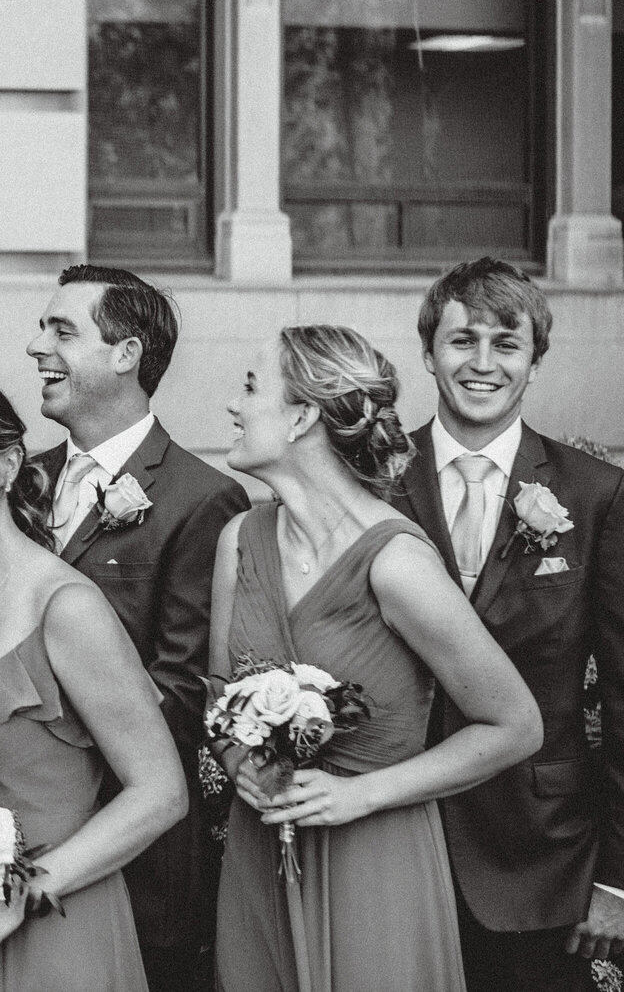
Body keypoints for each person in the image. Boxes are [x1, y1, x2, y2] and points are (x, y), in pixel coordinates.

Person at [211, 324, 542, 992]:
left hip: (373, 858)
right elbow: (220, 693)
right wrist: (239, 762)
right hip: (260, 853)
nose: (235, 406)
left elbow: (515, 724)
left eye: (251, 388)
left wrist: (358, 794)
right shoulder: (238, 540)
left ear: (303, 414)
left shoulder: (396, 563)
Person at [0, 374, 187, 992]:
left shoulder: (66, 607)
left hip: (57, 932)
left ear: (9, 463)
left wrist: (26, 893)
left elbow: (161, 792)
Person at [390, 259, 624, 992]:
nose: (482, 363)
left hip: (545, 859)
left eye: (506, 343)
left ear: (535, 363)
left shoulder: (595, 495)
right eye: (462, 341)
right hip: (394, 836)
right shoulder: (374, 478)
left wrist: (618, 879)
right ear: (429, 352)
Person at [25, 264, 250, 991]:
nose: (37, 348)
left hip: (130, 845)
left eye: (61, 331)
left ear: (126, 353)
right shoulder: (19, 482)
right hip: (13, 822)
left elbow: (183, 689)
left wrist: (45, 750)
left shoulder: (200, 496)